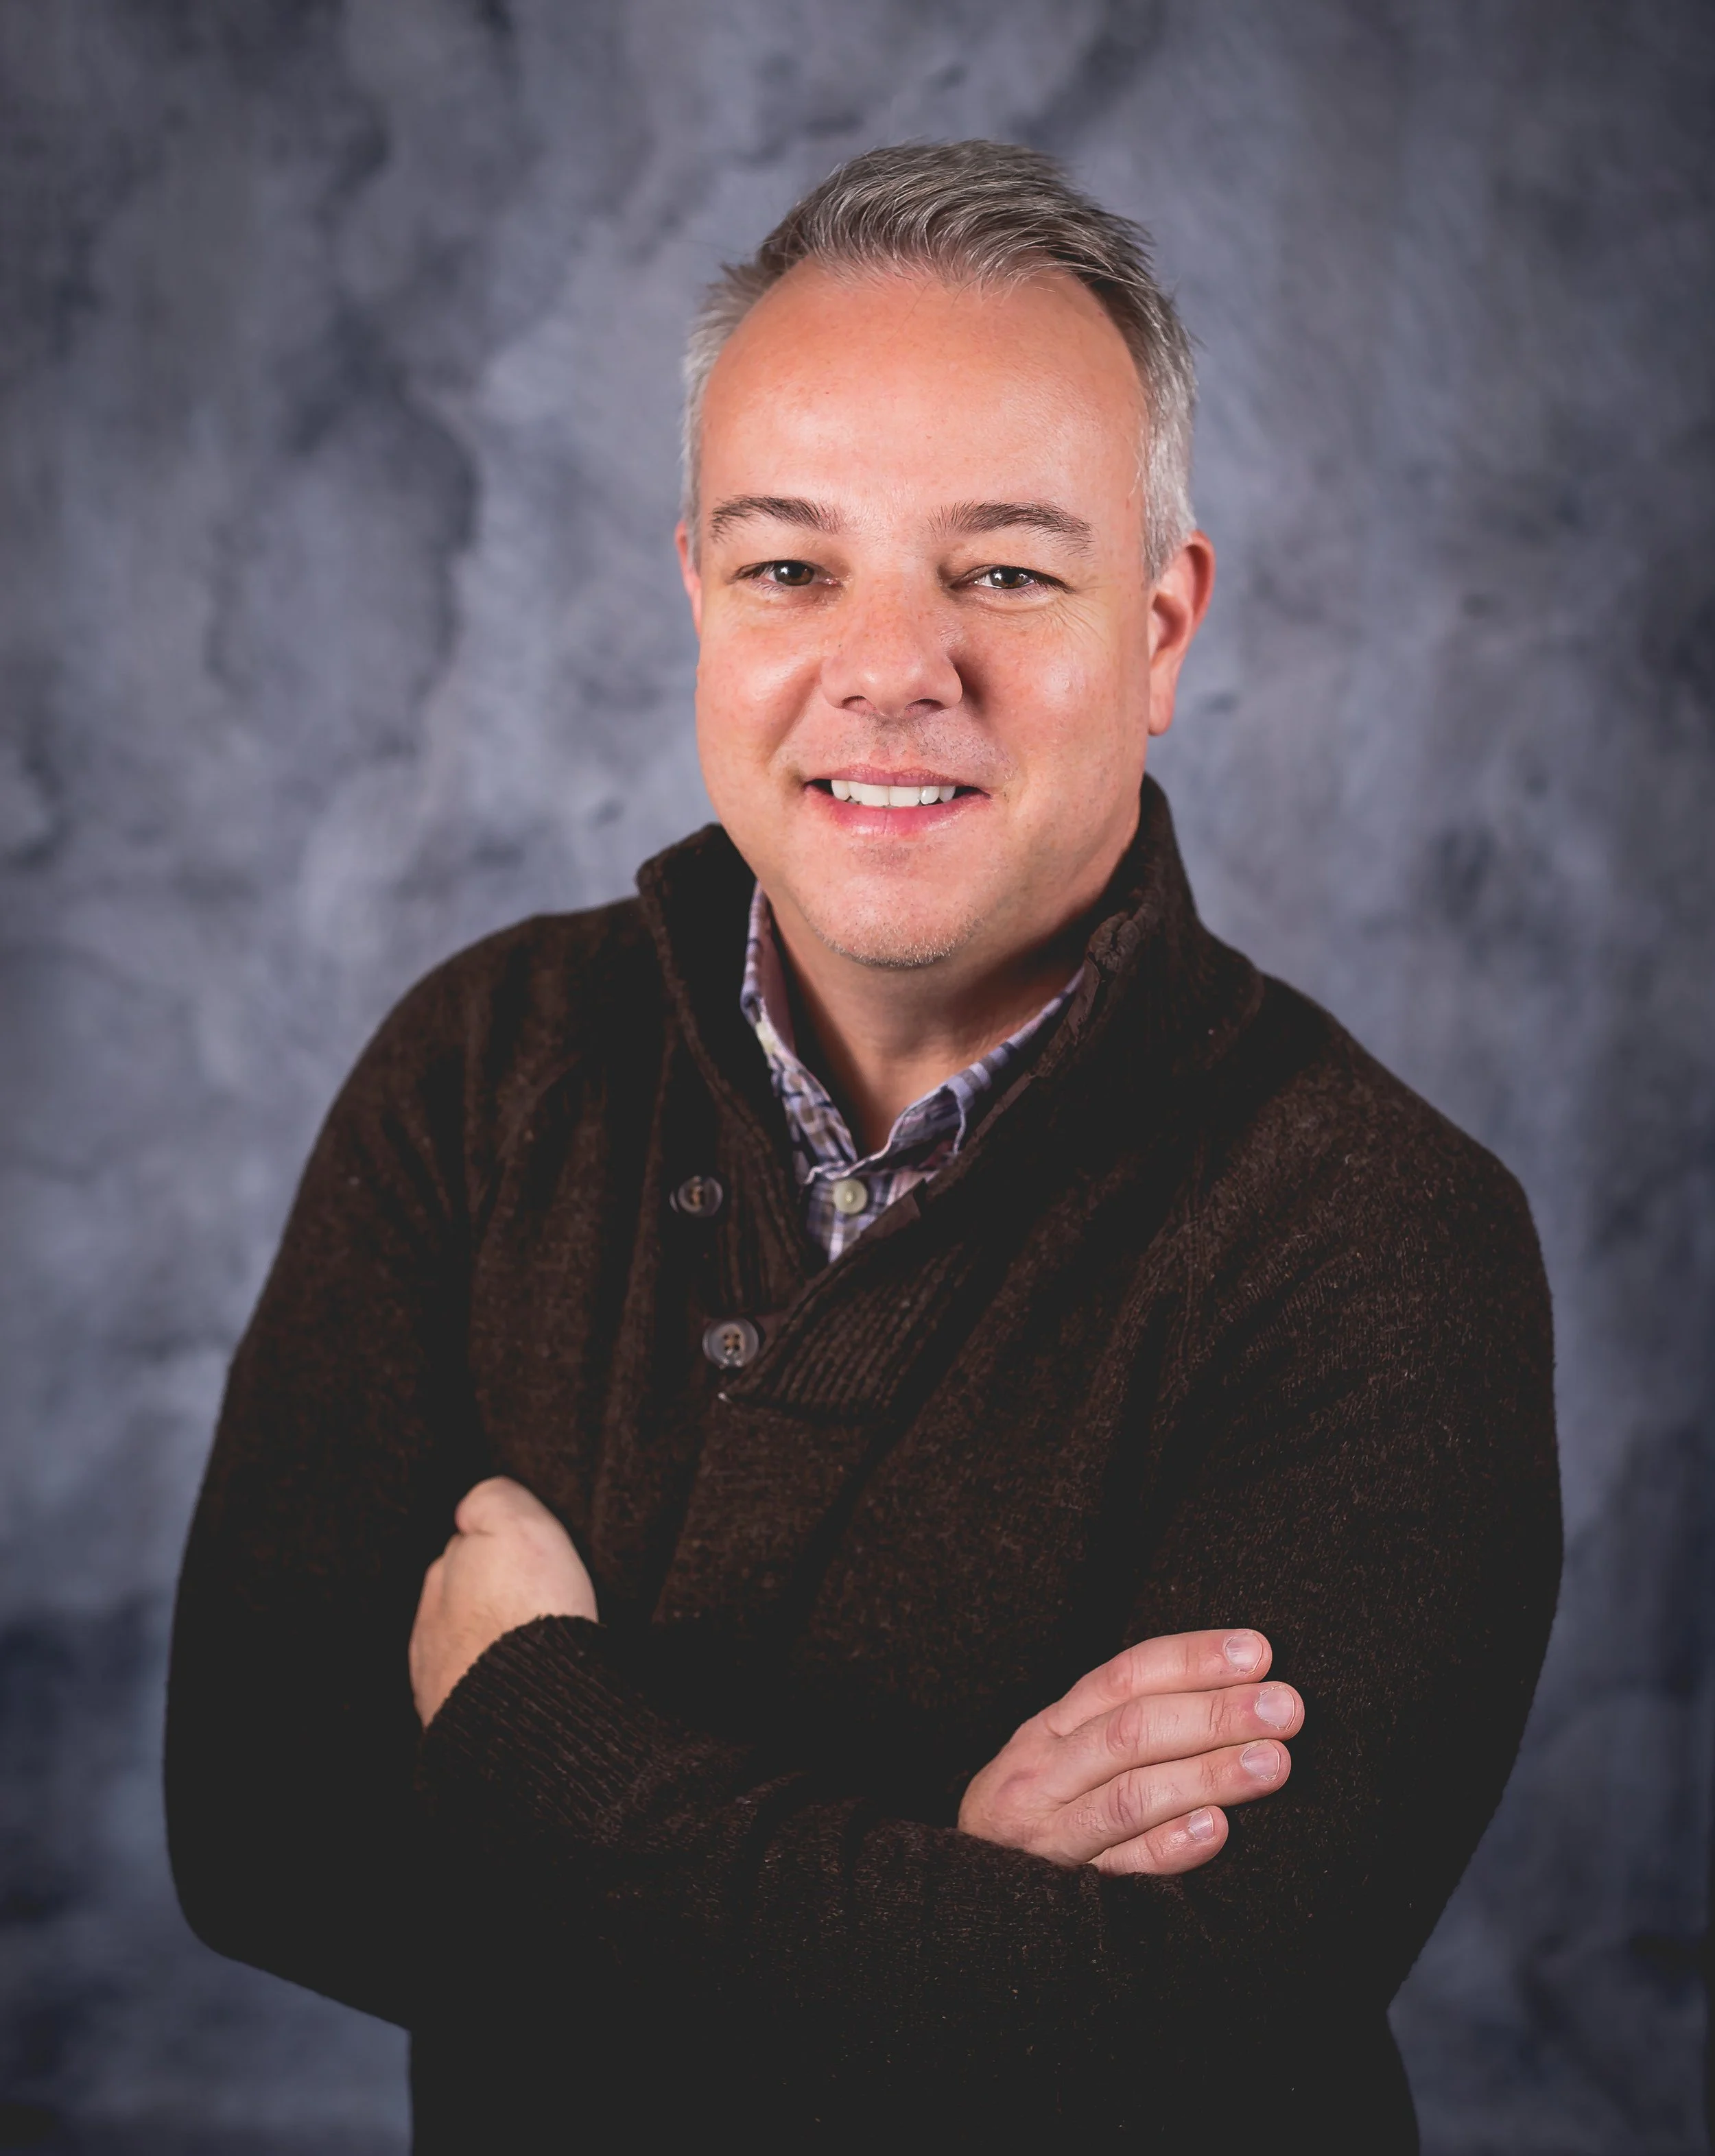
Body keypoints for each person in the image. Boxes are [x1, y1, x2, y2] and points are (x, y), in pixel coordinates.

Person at [165, 141, 1560, 2151]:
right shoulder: (486, 1066)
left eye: (1002, 566)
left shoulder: (1376, 1237)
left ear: (1159, 628)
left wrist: (528, 1720)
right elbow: (263, 1830)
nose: (890, 667)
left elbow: (1182, 2026)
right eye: (790, 564)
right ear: (699, 599)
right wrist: (948, 1886)